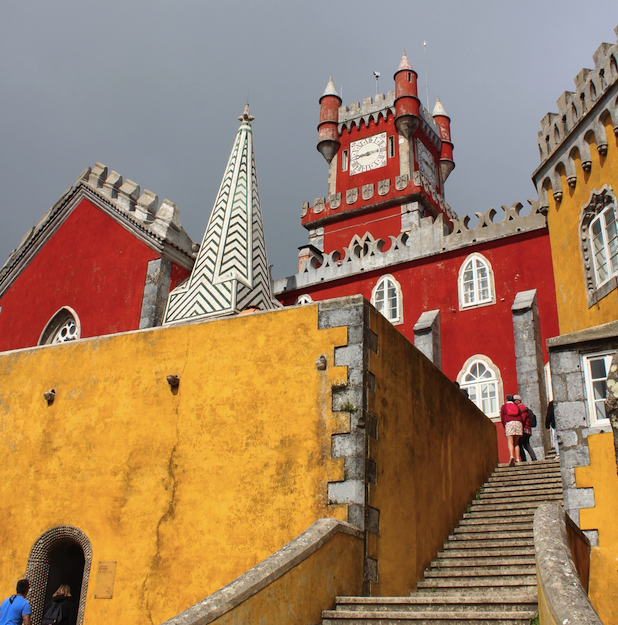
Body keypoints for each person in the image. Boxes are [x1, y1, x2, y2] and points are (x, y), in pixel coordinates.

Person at [500, 394, 523, 466]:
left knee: (510, 441)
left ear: (506, 399)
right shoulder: (516, 406)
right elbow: (520, 416)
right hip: (518, 423)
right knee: (516, 443)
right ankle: (518, 459)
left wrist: (505, 426)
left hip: (509, 423)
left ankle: (511, 456)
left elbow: (502, 418)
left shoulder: (504, 407)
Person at [514, 395, 537, 462]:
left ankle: (525, 459)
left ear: (518, 401)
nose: (514, 402)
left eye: (515, 401)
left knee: (520, 444)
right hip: (527, 429)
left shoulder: (522, 408)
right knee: (526, 444)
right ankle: (533, 458)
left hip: (524, 429)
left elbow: (522, 419)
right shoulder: (523, 407)